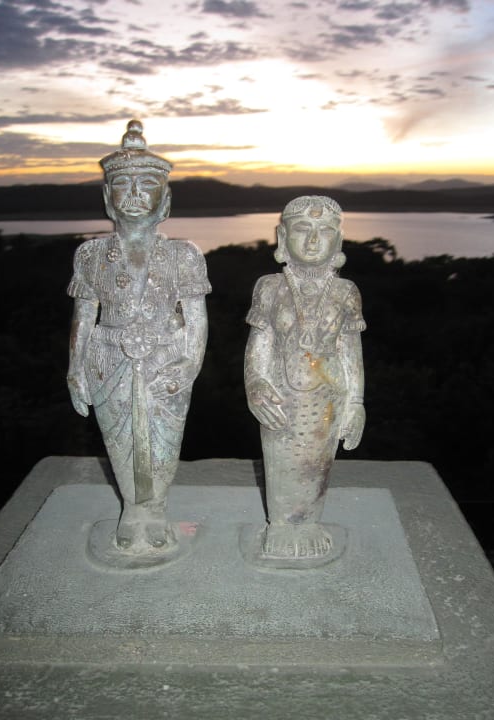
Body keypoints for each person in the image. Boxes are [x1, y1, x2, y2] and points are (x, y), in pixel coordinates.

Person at [67, 120, 210, 552]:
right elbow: (84, 314)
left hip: (167, 358)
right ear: (106, 197)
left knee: (164, 438)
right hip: (107, 357)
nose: (133, 193)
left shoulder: (184, 255)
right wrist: (75, 369)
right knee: (119, 438)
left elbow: (197, 318)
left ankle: (157, 509)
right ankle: (132, 509)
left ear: (165, 199)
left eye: (146, 184)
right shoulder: (90, 255)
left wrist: (190, 363)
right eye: (121, 184)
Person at [244, 196, 365, 560]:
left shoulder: (345, 291)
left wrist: (356, 403)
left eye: (324, 231)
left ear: (338, 240)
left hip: (329, 394)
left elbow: (350, 351)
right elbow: (259, 344)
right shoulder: (269, 287)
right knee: (279, 458)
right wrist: (255, 384)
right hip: (279, 391)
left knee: (318, 463)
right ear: (282, 237)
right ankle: (281, 524)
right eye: (302, 229)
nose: (313, 241)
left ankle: (309, 522)